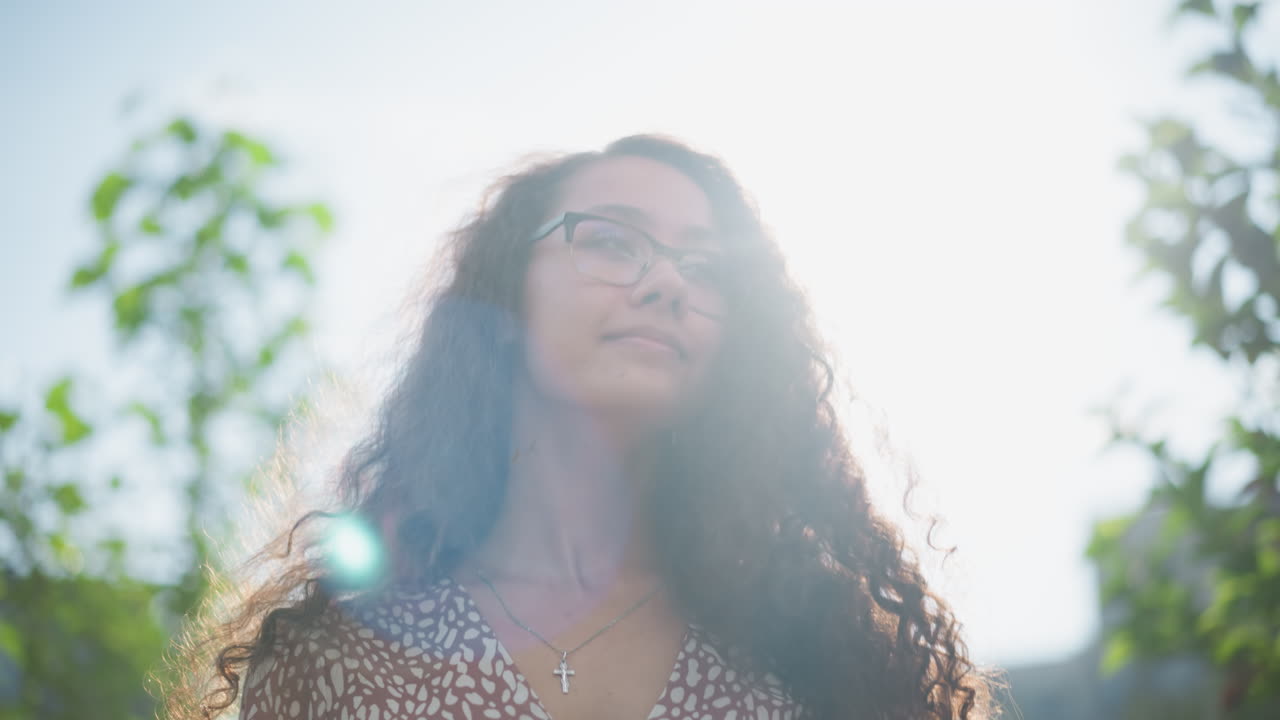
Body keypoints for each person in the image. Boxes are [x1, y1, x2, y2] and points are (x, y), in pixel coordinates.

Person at [170, 135, 996, 720]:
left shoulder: (823, 662)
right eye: (609, 240)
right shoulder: (331, 665)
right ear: (499, 302)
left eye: (706, 268)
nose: (668, 282)